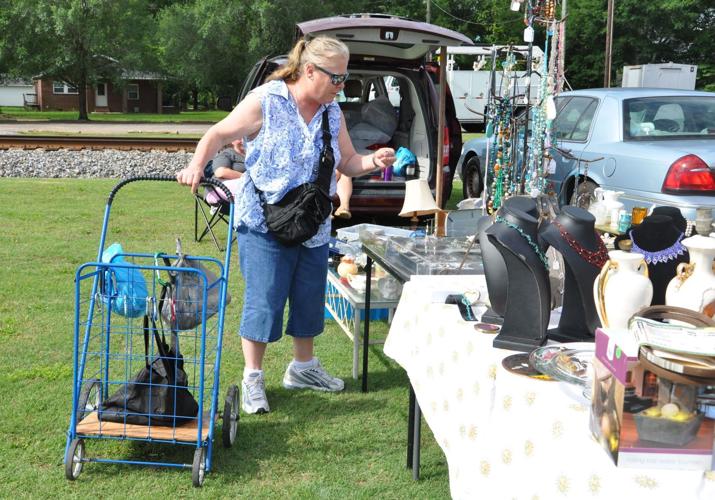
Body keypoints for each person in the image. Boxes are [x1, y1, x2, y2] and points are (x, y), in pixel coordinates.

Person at [176, 36, 395, 415]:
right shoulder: (268, 100)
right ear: (309, 70)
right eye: (336, 79)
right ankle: (253, 378)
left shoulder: (332, 112)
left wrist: (373, 162)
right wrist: (197, 164)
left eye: (345, 79)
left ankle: (303, 368)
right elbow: (218, 134)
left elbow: (347, 162)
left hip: (311, 224)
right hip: (264, 221)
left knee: (310, 297)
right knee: (265, 299)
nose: (341, 87)